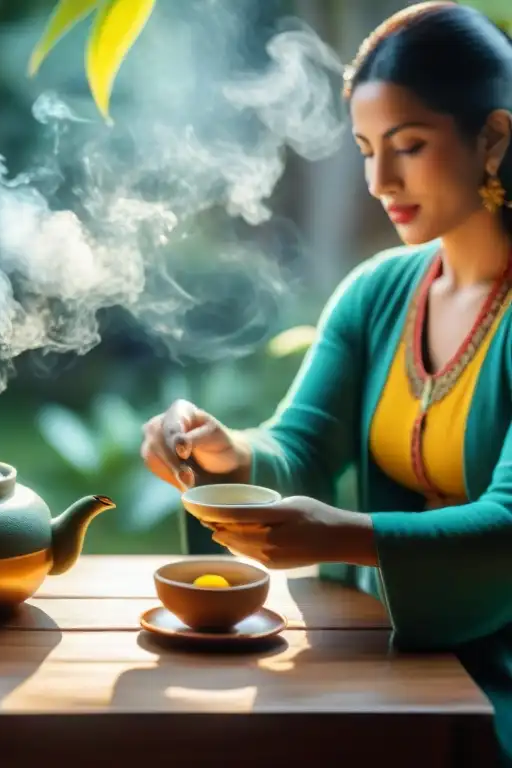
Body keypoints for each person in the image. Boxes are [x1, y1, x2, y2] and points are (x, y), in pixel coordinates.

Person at [141, 1, 512, 760]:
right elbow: (300, 446)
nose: (380, 179)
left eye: (409, 145)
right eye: (366, 147)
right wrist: (227, 456)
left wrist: (339, 535)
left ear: (495, 138)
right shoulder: (379, 291)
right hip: (398, 652)